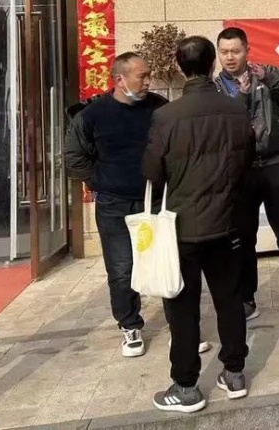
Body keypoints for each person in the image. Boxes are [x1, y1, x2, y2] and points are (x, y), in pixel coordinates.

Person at [144, 36, 253, 413]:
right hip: (228, 222)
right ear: (212, 64)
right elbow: (247, 163)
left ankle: (186, 385)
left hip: (183, 227)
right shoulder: (236, 109)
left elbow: (152, 172)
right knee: (230, 300)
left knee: (183, 307)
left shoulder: (166, 116)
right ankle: (234, 373)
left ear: (180, 67)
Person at [65, 53, 182, 358]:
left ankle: (179, 327)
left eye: (149, 75)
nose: (148, 81)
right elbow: (74, 157)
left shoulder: (159, 108)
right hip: (114, 205)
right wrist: (100, 181)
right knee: (121, 269)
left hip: (156, 201)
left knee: (166, 262)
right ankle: (130, 325)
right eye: (142, 76)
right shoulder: (92, 114)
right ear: (120, 79)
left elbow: (177, 147)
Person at [216, 27, 279, 330]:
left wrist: (271, 78)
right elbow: (225, 126)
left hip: (276, 163)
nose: (230, 57)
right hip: (241, 170)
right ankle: (247, 299)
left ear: (247, 50)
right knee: (243, 237)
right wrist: (241, 96)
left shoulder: (265, 74)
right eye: (224, 52)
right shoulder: (216, 88)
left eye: (235, 51)